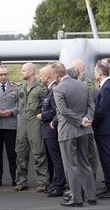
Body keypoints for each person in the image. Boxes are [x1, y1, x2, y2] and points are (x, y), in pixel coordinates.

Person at [51, 62, 96, 207]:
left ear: (56, 75)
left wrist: (79, 121)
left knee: (71, 166)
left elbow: (63, 110)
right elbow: (91, 104)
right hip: (85, 130)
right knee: (85, 163)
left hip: (68, 132)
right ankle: (91, 196)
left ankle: (77, 199)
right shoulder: (82, 85)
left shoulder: (58, 88)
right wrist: (86, 119)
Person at [14, 62, 49, 193]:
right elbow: (18, 104)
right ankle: (21, 181)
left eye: (24, 70)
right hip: (22, 123)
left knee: (39, 153)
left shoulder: (41, 88)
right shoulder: (19, 87)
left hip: (35, 122)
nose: (21, 72)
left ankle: (43, 182)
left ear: (31, 72)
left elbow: (45, 106)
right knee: (20, 153)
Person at [36, 65, 66, 197]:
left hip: (51, 129)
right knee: (51, 159)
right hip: (47, 129)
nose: (39, 77)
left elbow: (56, 110)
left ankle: (59, 185)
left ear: (47, 76)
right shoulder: (50, 89)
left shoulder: (55, 89)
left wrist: (43, 116)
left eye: (41, 75)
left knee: (56, 159)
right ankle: (55, 183)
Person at [93, 60, 110, 199]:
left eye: (95, 71)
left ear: (99, 72)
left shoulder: (108, 87)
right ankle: (109, 185)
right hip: (102, 128)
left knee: (108, 158)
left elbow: (101, 110)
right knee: (105, 158)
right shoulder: (105, 86)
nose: (94, 74)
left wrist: (91, 122)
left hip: (104, 128)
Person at [0, 65, 18, 187]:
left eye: (5, 74)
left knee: (12, 154)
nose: (3, 77)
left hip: (11, 125)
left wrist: (12, 111)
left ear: (8, 74)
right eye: (1, 74)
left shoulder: (16, 87)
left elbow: (21, 104)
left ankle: (15, 178)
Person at [71, 59, 98, 180]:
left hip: (86, 122)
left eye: (73, 67)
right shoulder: (75, 82)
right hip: (76, 122)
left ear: (80, 69)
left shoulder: (87, 83)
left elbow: (89, 102)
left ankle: (90, 178)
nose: (71, 70)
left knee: (89, 152)